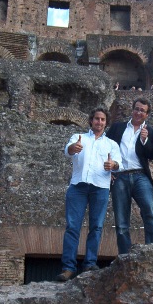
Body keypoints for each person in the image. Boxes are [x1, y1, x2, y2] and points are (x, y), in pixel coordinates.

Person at [56, 107, 123, 281]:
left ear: (106, 123)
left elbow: (119, 164)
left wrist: (112, 165)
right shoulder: (79, 138)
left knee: (97, 226)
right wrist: (73, 147)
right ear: (91, 121)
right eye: (96, 119)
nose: (99, 122)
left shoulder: (111, 144)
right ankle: (68, 267)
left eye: (102, 120)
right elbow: (67, 151)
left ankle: (89, 264)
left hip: (100, 187)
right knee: (72, 227)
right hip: (78, 186)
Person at [106, 98, 153, 254]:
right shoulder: (117, 127)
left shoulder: (151, 132)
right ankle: (125, 255)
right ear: (132, 110)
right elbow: (105, 147)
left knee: (150, 213)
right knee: (121, 221)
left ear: (147, 114)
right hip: (119, 176)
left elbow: (151, 154)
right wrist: (108, 171)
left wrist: (144, 140)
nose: (138, 112)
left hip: (140, 176)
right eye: (136, 109)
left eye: (142, 110)